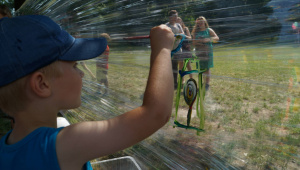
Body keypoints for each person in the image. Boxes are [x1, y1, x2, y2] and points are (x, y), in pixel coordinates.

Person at [0, 15, 175, 169]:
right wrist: (163, 49)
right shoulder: (65, 144)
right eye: (75, 65)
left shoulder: (5, 147)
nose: (82, 73)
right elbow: (155, 113)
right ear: (42, 84)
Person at [191, 16, 219, 91]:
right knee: (201, 67)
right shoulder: (195, 32)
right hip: (199, 51)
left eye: (201, 21)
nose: (200, 23)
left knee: (207, 67)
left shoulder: (209, 30)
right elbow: (193, 43)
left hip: (207, 51)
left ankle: (206, 84)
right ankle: (203, 82)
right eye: (198, 22)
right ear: (197, 23)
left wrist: (208, 39)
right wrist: (199, 41)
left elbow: (217, 38)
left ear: (204, 22)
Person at [166, 10, 184, 89]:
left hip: (178, 48)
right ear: (170, 17)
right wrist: (177, 36)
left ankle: (177, 83)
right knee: (171, 66)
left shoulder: (178, 25)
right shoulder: (166, 26)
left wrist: (177, 35)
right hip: (170, 49)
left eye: (176, 16)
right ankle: (172, 83)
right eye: (174, 16)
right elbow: (167, 36)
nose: (176, 17)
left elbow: (182, 34)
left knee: (178, 65)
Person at [176, 17, 193, 83]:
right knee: (180, 64)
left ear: (182, 22)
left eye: (179, 21)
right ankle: (182, 80)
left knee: (188, 64)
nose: (178, 23)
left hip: (186, 48)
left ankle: (191, 78)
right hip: (179, 48)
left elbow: (190, 38)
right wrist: (178, 36)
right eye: (177, 22)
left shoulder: (186, 29)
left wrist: (183, 36)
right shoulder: (175, 30)